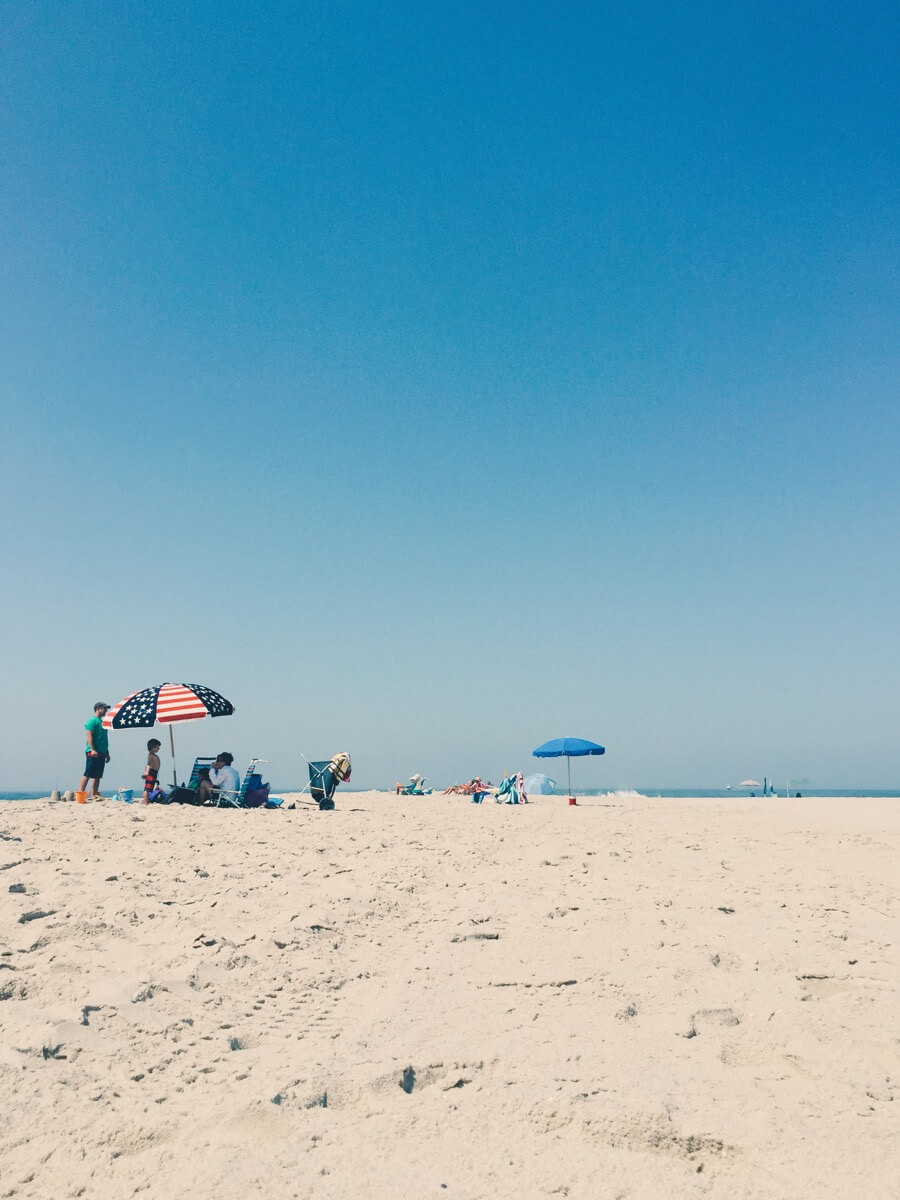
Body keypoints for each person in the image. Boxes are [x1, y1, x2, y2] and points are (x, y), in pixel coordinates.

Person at [77, 702, 111, 799]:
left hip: (102, 752)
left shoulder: (103, 723)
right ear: (99, 708)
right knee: (88, 772)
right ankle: (81, 793)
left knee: (98, 775)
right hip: (93, 752)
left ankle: (94, 794)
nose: (106, 711)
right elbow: (89, 735)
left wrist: (107, 753)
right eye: (104, 708)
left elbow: (104, 739)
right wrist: (92, 749)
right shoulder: (92, 721)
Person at [142, 738, 161, 804]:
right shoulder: (151, 755)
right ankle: (145, 802)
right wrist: (146, 772)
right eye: (157, 747)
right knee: (147, 789)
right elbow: (148, 764)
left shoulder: (154, 755)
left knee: (150, 788)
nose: (159, 748)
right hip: (151, 773)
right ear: (153, 747)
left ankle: (146, 801)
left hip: (154, 773)